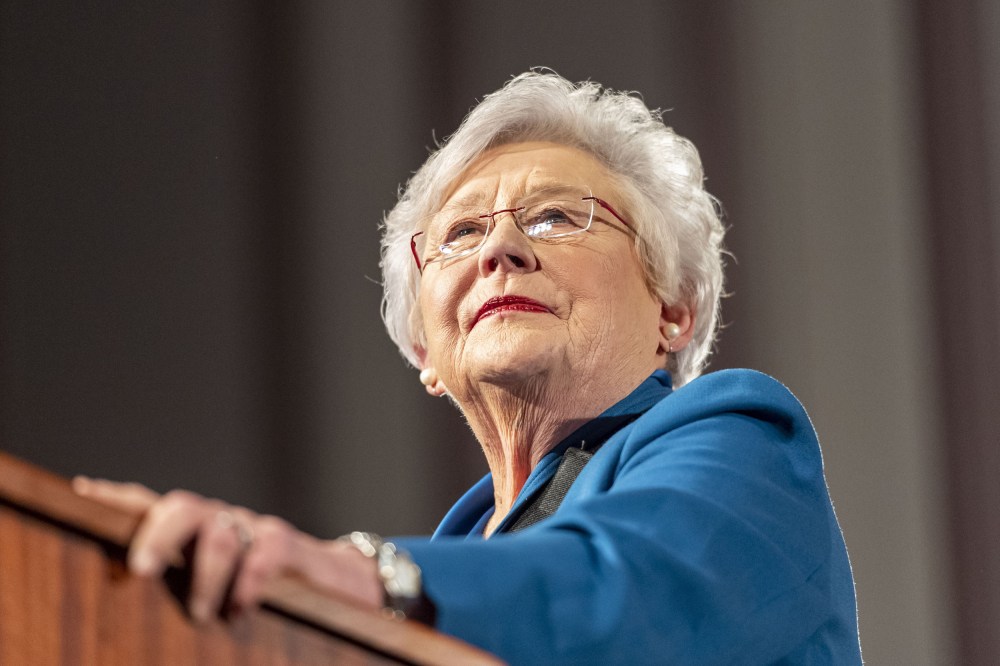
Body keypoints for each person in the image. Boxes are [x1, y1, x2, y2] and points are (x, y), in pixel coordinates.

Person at [75, 71, 863, 664]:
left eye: (558, 216)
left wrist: (361, 575)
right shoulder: (460, 552)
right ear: (425, 352)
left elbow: (628, 588)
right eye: (459, 234)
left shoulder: (744, 442)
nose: (499, 250)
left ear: (673, 311)